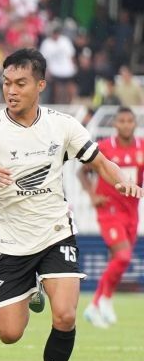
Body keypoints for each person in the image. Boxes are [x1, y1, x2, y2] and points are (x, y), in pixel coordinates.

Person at [0, 48, 143, 361]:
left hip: (55, 231)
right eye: (6, 83)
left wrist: (121, 180)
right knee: (9, 334)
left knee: (65, 316)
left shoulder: (62, 125)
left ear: (40, 85)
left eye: (20, 83)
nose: (11, 90)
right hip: (11, 240)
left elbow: (99, 161)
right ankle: (32, 290)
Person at [78, 107, 144, 328]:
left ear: (134, 124)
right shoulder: (105, 148)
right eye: (122, 121)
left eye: (129, 121)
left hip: (132, 212)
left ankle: (97, 303)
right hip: (109, 210)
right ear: (115, 124)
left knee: (120, 260)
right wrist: (92, 194)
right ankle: (104, 300)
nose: (126, 125)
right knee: (123, 256)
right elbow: (82, 171)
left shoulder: (141, 148)